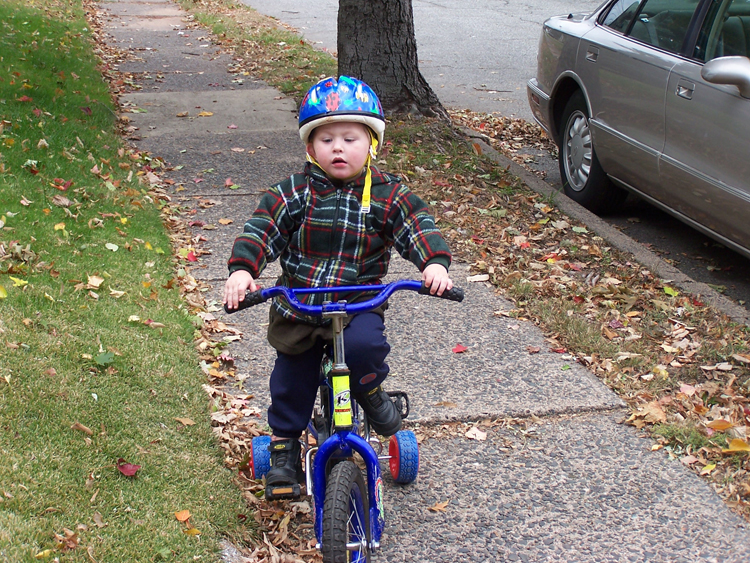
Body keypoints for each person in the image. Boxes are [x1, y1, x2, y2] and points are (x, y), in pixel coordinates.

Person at [223, 76, 453, 499]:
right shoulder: (293, 192)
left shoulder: (388, 195)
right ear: (311, 148)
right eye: (326, 139)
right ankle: (285, 450)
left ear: (371, 144)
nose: (338, 148)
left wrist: (433, 263)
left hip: (357, 304)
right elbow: (262, 229)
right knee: (291, 381)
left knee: (365, 348)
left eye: (350, 137)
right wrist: (243, 270)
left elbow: (417, 226)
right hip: (301, 306)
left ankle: (369, 389)